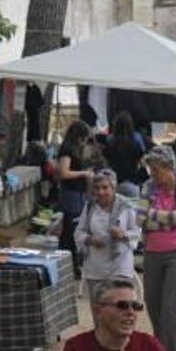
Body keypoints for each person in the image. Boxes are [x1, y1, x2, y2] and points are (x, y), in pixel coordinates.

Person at [137, 146, 176, 351]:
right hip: (152, 252)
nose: (153, 175)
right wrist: (167, 217)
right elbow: (139, 219)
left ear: (168, 167)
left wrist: (153, 215)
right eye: (151, 170)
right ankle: (160, 350)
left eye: (156, 170)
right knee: (152, 303)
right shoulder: (148, 186)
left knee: (171, 306)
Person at [75, 169, 142, 308]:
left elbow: (137, 232)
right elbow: (79, 232)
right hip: (95, 266)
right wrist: (90, 240)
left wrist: (122, 235)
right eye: (97, 188)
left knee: (120, 309)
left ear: (113, 188)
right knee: (98, 310)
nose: (101, 192)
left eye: (105, 188)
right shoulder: (89, 207)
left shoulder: (126, 207)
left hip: (120, 266)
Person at [58, 121, 96, 277]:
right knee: (70, 230)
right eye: (83, 139)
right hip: (71, 193)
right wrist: (84, 174)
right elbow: (64, 173)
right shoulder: (67, 150)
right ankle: (69, 266)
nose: (84, 142)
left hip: (78, 193)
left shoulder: (76, 150)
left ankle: (71, 265)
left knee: (73, 229)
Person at [105, 111, 147, 199]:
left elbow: (107, 160)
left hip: (115, 182)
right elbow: (143, 160)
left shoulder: (110, 140)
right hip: (133, 181)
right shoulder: (137, 138)